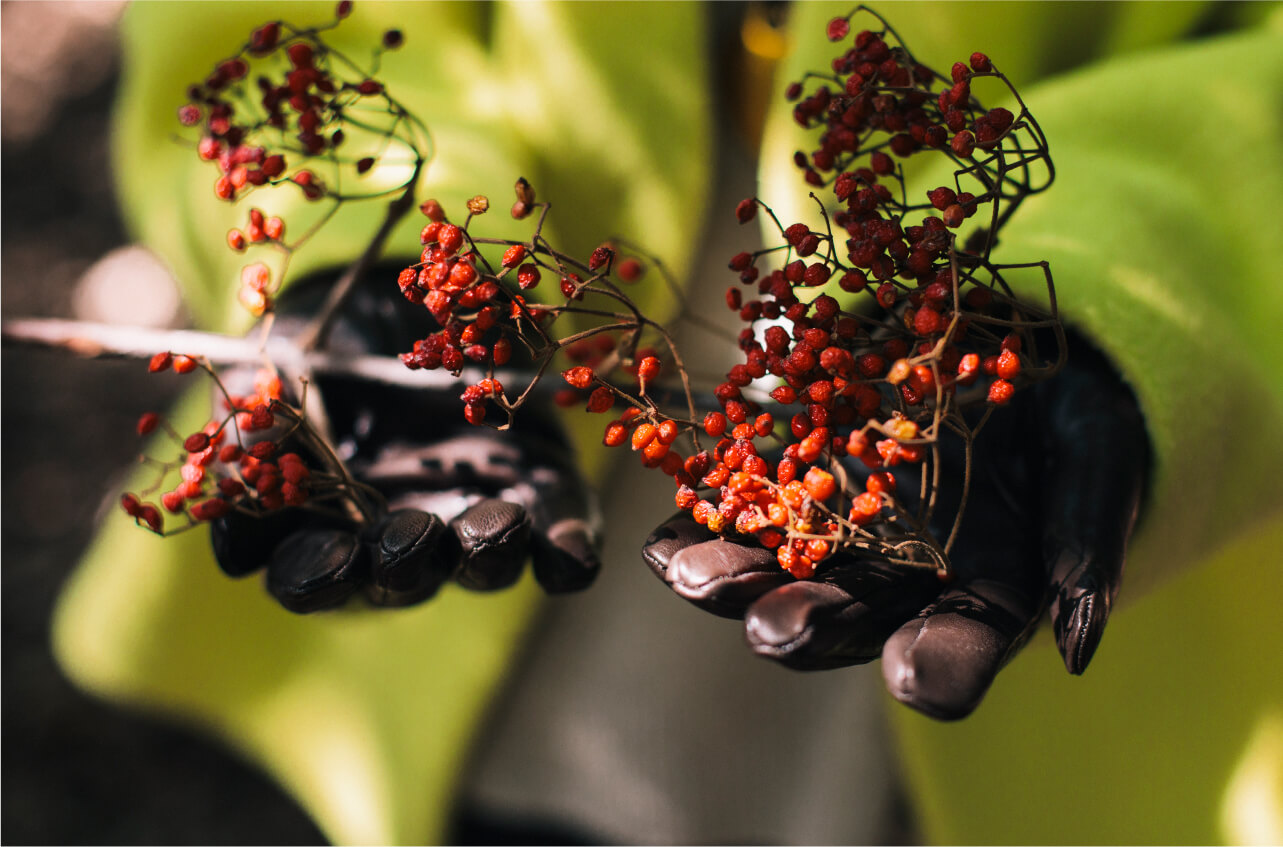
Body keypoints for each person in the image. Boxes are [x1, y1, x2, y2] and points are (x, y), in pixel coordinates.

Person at [54, 2, 1283, 843]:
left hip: (1016, 526)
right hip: (523, 534)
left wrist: (1111, 295)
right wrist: (379, 250)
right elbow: (265, 30)